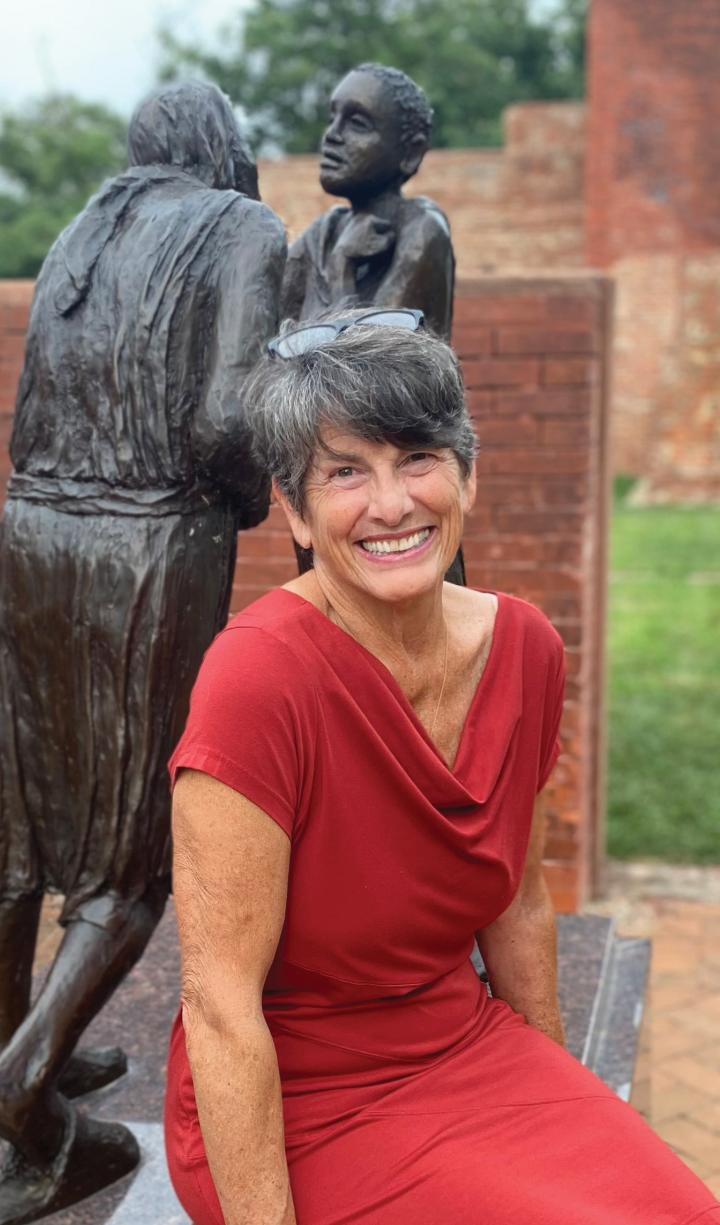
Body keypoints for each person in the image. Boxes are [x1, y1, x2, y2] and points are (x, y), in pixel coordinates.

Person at [164, 311, 720, 1225]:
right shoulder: (259, 678)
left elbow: (518, 901)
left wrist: (557, 1105)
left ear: (467, 473)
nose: (390, 504)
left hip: (463, 1044)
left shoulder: (527, 647)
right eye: (345, 471)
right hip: (297, 1106)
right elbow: (219, 1003)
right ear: (297, 514)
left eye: (416, 457)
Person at [0, 82, 285, 1225]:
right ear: (224, 153)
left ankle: (4, 1041)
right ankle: (20, 1086)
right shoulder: (241, 227)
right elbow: (228, 422)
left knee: (20, 806)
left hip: (33, 534)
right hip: (148, 548)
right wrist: (242, 505)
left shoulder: (80, 229)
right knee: (130, 852)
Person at [281, 64, 455, 338]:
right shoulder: (323, 233)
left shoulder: (422, 231)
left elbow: (370, 364)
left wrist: (342, 270)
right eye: (332, 118)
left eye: (357, 124)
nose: (332, 135)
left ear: (411, 153)